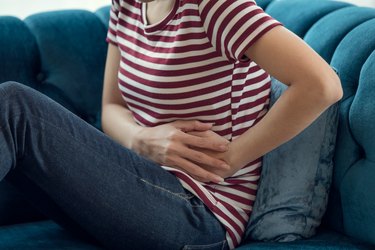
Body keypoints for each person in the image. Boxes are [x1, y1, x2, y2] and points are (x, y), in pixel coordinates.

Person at [0, 0, 342, 249]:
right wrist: (141, 139)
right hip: (141, 186)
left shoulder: (216, 7)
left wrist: (230, 160)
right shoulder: (127, 6)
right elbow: (112, 107)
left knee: (13, 106)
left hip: (201, 214)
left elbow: (322, 85)